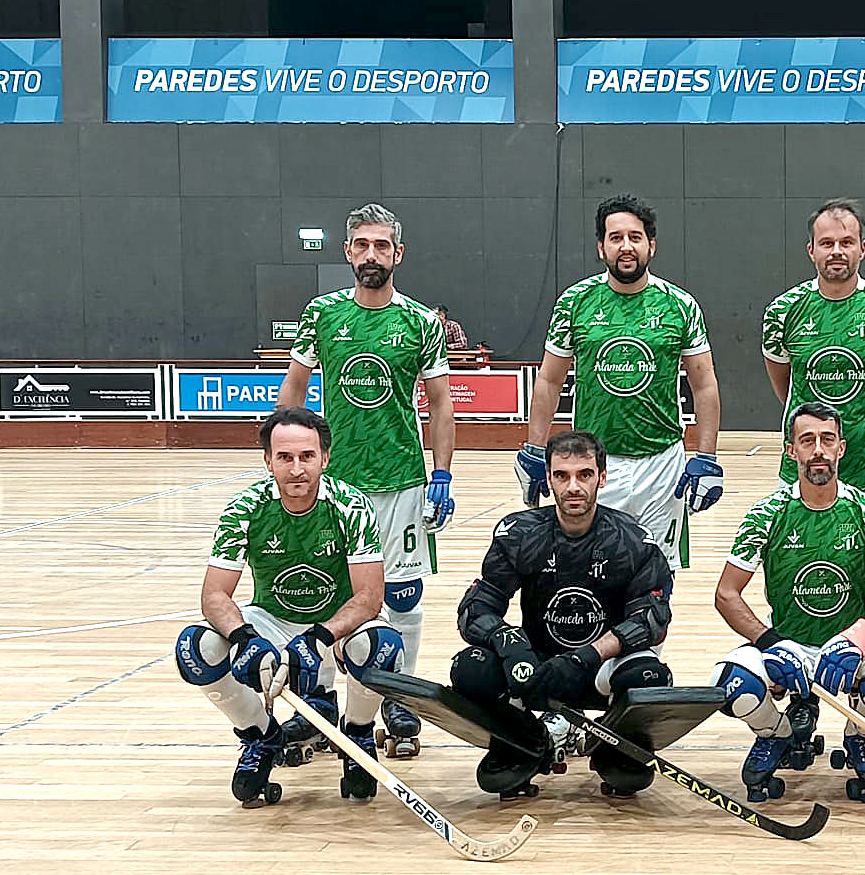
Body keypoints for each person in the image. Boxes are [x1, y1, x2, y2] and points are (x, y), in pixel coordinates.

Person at [280, 203, 453, 757]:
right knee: (329, 593)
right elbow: (295, 390)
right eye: (362, 244)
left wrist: (441, 474)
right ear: (347, 252)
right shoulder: (322, 314)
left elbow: (441, 404)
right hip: (336, 484)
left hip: (402, 480)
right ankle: (320, 703)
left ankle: (400, 699)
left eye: (382, 245)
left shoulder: (421, 322)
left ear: (398, 254)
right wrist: (285, 457)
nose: (371, 254)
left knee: (402, 595)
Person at [172, 408, 406, 807]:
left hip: (336, 623)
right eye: (284, 457)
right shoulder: (245, 508)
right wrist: (243, 637)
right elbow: (214, 595)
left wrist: (320, 637)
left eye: (306, 456)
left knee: (382, 646)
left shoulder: (351, 505)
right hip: (272, 619)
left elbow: (369, 596)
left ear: (325, 458)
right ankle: (260, 736)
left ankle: (357, 735)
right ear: (268, 460)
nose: (297, 469)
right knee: (195, 649)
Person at [451, 429, 675, 798]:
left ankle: (612, 747)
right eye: (562, 475)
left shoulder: (633, 539)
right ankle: (525, 741)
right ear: (549, 478)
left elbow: (651, 618)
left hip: (600, 666)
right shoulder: (519, 533)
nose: (573, 487)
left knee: (648, 675)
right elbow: (475, 608)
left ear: (602, 477)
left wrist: (587, 656)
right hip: (536, 667)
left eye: (584, 475)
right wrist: (510, 644)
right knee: (470, 669)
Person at [712, 403, 865, 804]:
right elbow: (726, 594)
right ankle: (777, 734)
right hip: (787, 645)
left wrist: (860, 638)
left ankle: (863, 735)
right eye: (807, 441)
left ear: (841, 448)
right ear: (791, 451)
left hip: (849, 646)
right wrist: (770, 642)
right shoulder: (766, 514)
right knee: (731, 684)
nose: (818, 450)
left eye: (827, 439)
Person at [520, 195, 725, 569]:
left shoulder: (680, 305)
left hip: (663, 465)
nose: (626, 246)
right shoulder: (575, 301)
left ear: (652, 245)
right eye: (615, 238)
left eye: (635, 237)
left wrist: (707, 457)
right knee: (593, 572)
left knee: (658, 575)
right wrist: (534, 449)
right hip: (594, 465)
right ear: (601, 247)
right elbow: (549, 379)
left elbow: (704, 384)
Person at [761, 198, 865, 607]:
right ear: (811, 250)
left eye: (846, 242)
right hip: (801, 474)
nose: (837, 251)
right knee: (800, 579)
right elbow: (784, 385)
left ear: (862, 249)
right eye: (827, 243)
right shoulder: (783, 312)